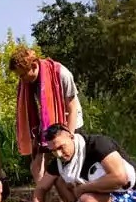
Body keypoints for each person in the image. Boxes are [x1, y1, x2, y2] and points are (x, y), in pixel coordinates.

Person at [8, 47, 85, 184]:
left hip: (69, 123)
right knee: (36, 166)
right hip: (47, 125)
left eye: (23, 75)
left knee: (66, 168)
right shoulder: (27, 83)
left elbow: (72, 108)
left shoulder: (60, 73)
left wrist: (68, 136)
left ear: (33, 66)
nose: (21, 79)